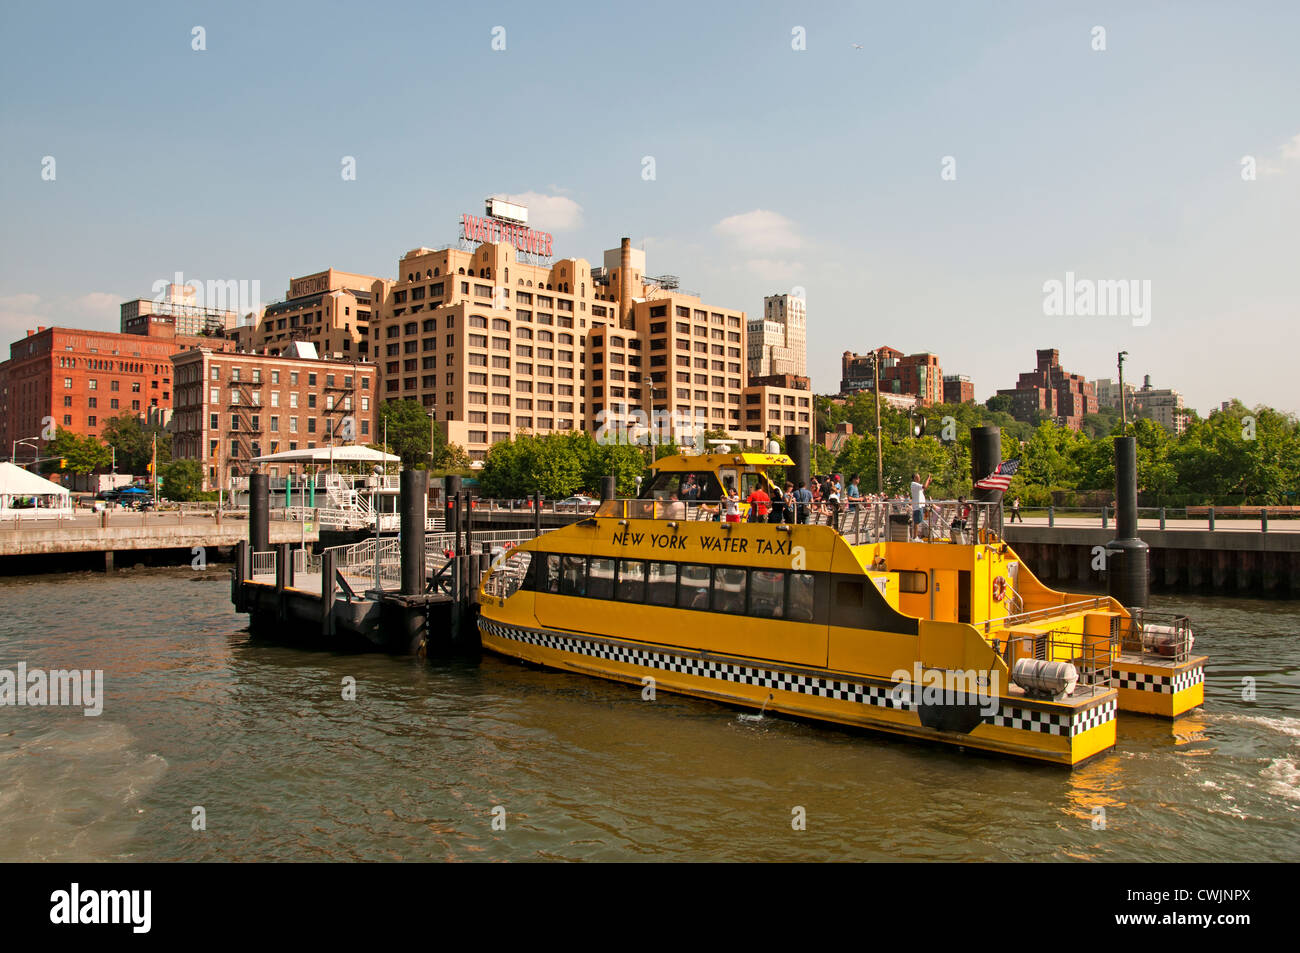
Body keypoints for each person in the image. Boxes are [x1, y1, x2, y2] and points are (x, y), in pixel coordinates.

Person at [910, 471, 932, 539]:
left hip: (921, 505)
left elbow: (924, 488)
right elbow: (924, 487)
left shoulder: (917, 485)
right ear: (914, 478)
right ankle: (914, 537)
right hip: (917, 505)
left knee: (919, 521)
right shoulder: (914, 484)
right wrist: (928, 479)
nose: (919, 478)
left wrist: (928, 482)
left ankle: (917, 536)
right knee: (917, 522)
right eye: (917, 476)